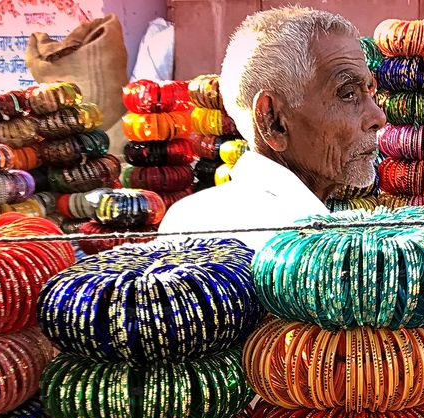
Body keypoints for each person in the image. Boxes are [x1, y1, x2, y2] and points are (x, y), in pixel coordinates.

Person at [158, 7, 386, 251]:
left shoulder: (185, 216)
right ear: (273, 121)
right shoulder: (299, 247)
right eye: (348, 94)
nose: (378, 117)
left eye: (370, 91)